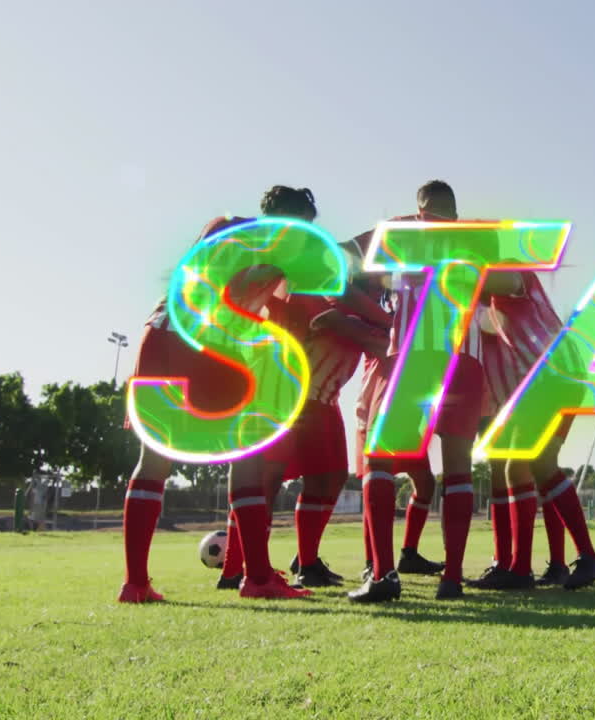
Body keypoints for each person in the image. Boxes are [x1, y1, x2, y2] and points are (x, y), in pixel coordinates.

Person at [118, 186, 319, 603]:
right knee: (247, 451)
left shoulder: (223, 226)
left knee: (154, 458)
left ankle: (135, 583)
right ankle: (258, 578)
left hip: (158, 334)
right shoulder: (277, 249)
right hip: (207, 344)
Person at [347, 180, 522, 603]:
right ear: (455, 212)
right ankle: (453, 578)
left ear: (419, 209)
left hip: (416, 358)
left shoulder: (402, 235)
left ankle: (384, 575)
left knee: (380, 460)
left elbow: (345, 260)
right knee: (458, 467)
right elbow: (514, 283)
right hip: (464, 361)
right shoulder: (473, 241)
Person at [217, 244, 391, 589]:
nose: (378, 284)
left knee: (330, 477)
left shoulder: (361, 309)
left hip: (324, 399)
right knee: (266, 479)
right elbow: (349, 323)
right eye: (371, 278)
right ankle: (235, 568)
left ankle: (307, 562)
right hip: (290, 397)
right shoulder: (327, 297)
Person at [470, 269, 595, 590]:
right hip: (560, 379)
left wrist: (452, 274)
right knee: (528, 468)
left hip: (552, 377)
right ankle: (535, 566)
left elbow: (499, 281)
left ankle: (573, 559)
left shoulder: (515, 277)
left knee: (530, 466)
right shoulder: (491, 308)